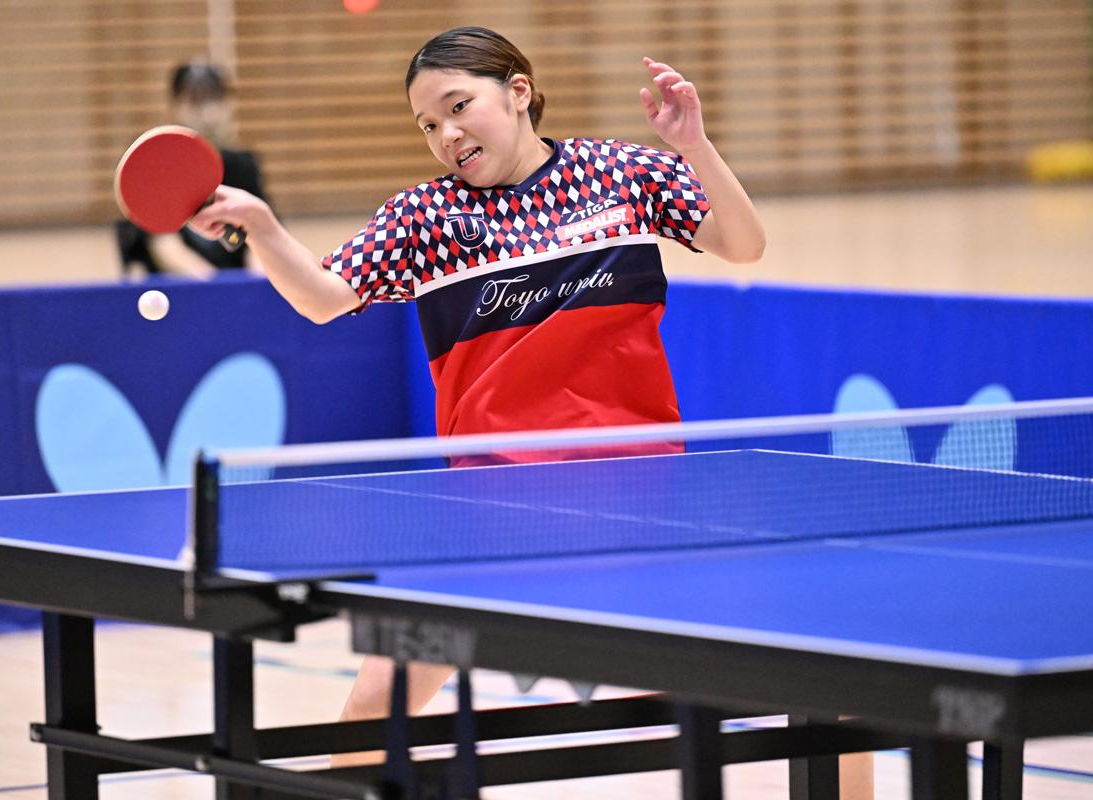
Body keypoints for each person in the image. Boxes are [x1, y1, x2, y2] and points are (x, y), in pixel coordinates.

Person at [191, 25, 869, 799]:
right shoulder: (425, 219)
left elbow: (742, 244)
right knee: (376, 704)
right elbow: (321, 298)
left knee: (832, 681)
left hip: (643, 501)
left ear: (518, 92)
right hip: (494, 512)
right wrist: (264, 228)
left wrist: (695, 147)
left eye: (458, 107)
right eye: (428, 124)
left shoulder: (619, 173)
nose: (446, 135)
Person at [117, 60, 269, 279]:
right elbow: (165, 246)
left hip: (234, 285)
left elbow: (259, 236)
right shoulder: (155, 166)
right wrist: (214, 288)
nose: (208, 113)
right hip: (179, 288)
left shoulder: (243, 165)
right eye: (195, 101)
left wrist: (254, 285)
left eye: (215, 99)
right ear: (174, 106)